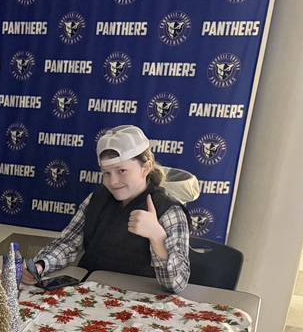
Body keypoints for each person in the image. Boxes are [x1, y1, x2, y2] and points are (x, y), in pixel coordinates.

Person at [23, 125, 191, 293]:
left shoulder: (169, 211)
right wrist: (40, 265)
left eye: (122, 171)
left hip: (138, 298)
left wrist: (157, 237)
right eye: (106, 173)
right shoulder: (97, 199)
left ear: (146, 168)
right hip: (90, 292)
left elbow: (176, 284)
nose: (113, 182)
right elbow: (68, 243)